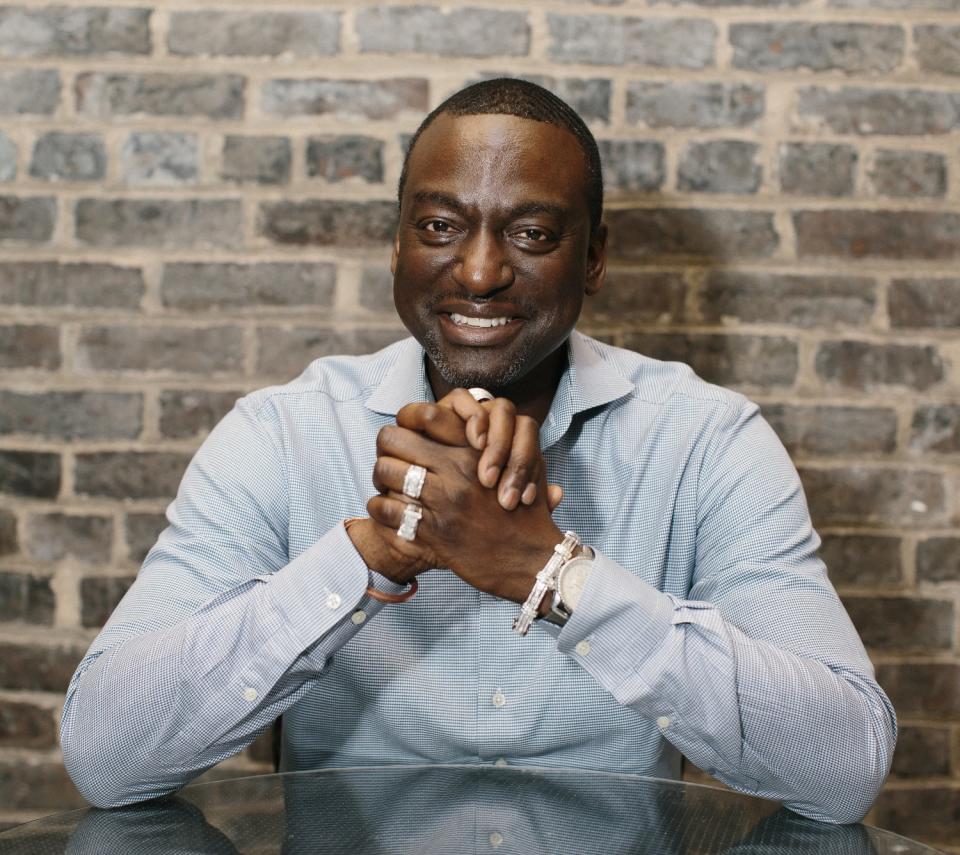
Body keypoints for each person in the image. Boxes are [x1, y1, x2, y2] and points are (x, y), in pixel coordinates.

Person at [60, 78, 896, 822]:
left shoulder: (706, 440)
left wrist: (554, 574)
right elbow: (106, 755)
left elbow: (844, 765)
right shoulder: (279, 434)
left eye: (531, 233)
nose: (481, 271)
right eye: (439, 225)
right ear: (396, 244)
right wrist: (367, 554)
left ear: (594, 257)